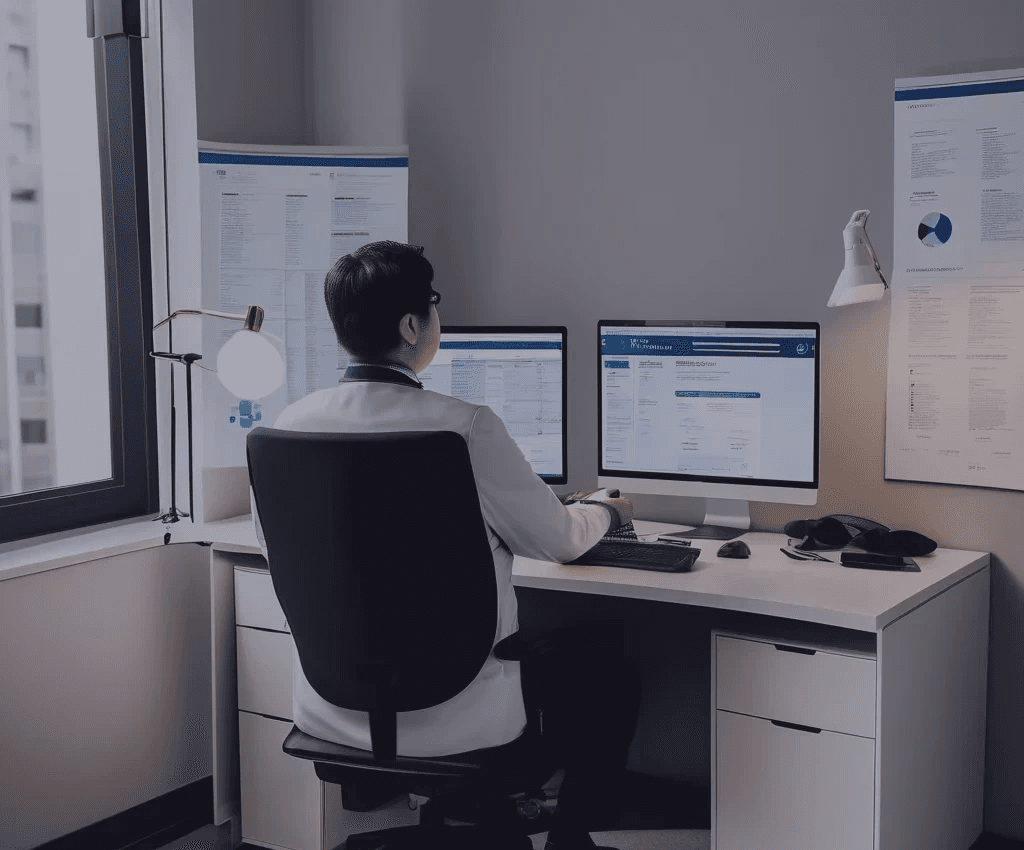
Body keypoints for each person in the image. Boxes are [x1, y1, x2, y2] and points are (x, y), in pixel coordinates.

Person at [252, 240, 640, 850]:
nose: (436, 318)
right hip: (459, 719)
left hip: (332, 709)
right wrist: (606, 512)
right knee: (608, 673)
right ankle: (567, 840)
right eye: (432, 306)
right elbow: (560, 540)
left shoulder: (280, 432)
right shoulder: (466, 427)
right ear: (412, 325)